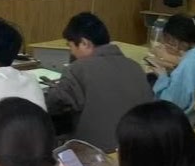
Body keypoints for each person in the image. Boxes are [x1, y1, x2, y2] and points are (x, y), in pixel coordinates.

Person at [45, 12, 152, 152]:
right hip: (138, 149)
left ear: (84, 43)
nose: (72, 53)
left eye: (71, 47)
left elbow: (54, 104)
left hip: (97, 154)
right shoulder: (135, 66)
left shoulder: (78, 69)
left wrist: (54, 89)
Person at [152, 13, 195, 115]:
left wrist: (162, 77)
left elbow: (171, 103)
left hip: (188, 119)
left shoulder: (191, 60)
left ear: (175, 39)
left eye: (170, 40)